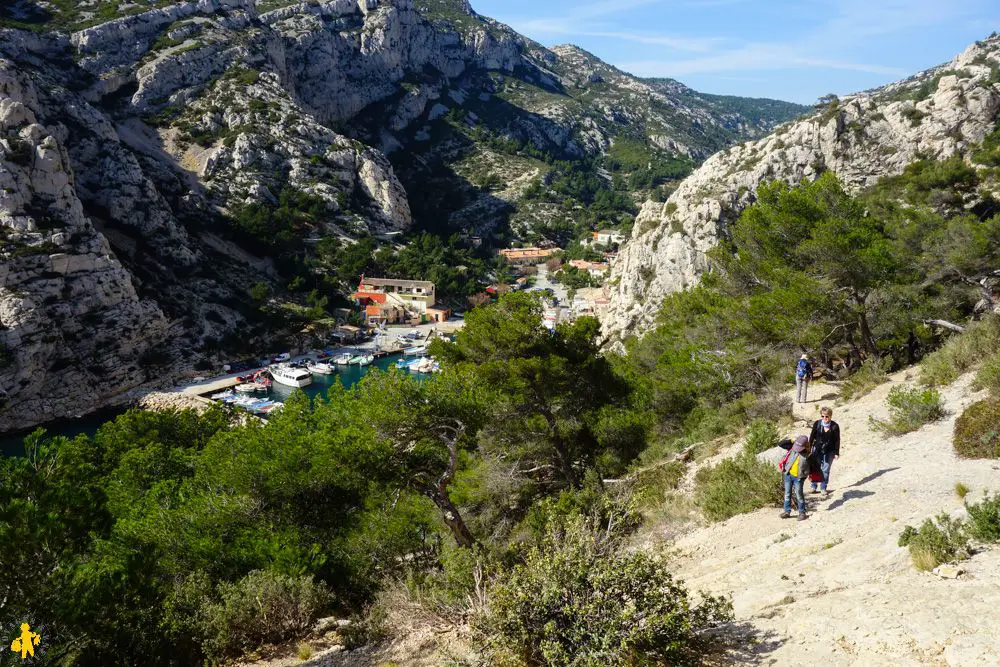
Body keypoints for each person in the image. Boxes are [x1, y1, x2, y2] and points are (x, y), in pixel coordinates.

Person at [809, 406, 840, 495]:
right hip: (817, 450)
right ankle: (813, 486)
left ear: (830, 416)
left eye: (827, 416)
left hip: (829, 451)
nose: (824, 418)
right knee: (815, 468)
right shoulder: (817, 424)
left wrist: (837, 453)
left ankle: (823, 487)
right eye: (823, 416)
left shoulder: (834, 426)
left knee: (825, 469)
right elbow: (811, 437)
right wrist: (808, 449)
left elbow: (837, 440)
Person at [779, 435, 811, 520]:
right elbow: (781, 444)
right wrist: (792, 440)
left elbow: (813, 467)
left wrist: (806, 475)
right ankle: (787, 511)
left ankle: (802, 513)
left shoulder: (808, 454)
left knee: (799, 495)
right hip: (788, 474)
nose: (797, 449)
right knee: (787, 493)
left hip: (799, 477)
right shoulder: (792, 448)